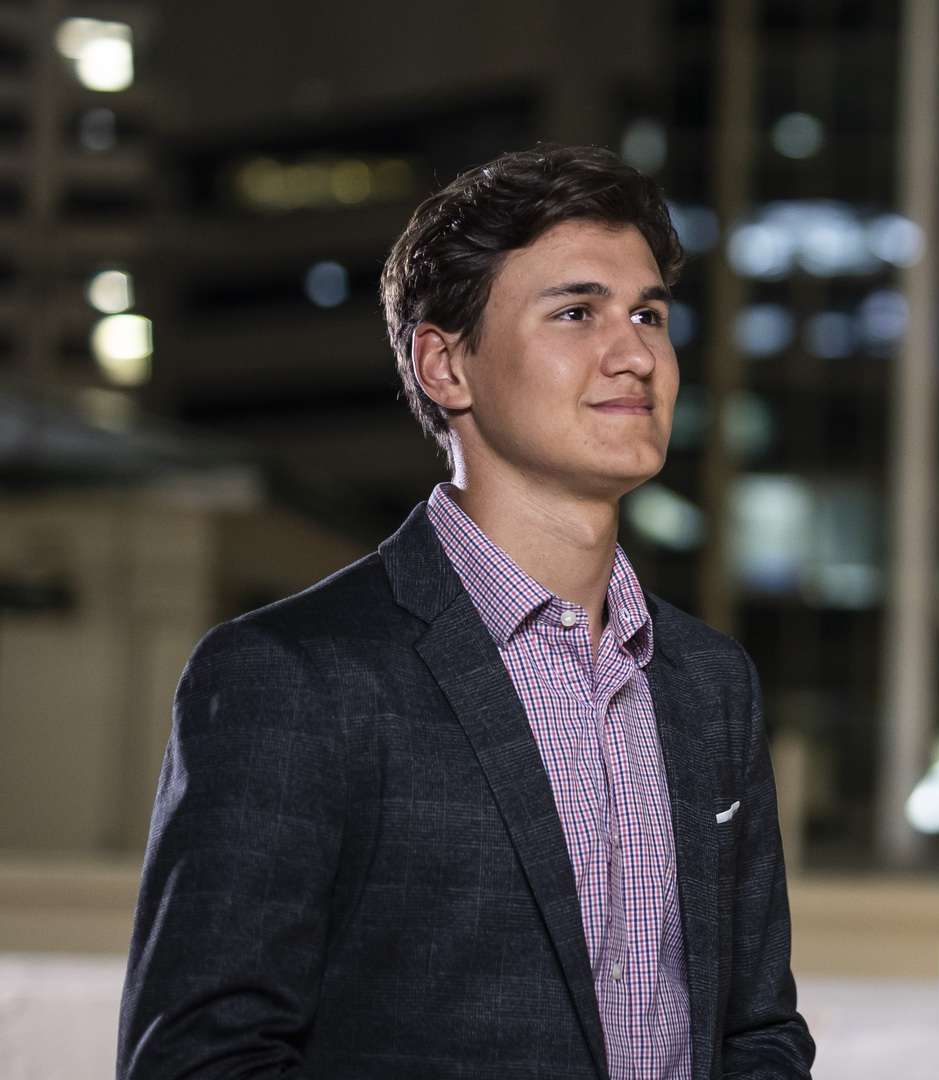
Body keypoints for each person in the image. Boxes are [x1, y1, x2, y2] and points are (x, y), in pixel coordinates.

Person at [117, 144, 813, 1079]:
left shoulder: (709, 683)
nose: (637, 353)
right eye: (577, 312)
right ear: (445, 365)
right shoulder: (291, 677)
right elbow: (201, 1061)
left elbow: (757, 1033)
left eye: (648, 313)